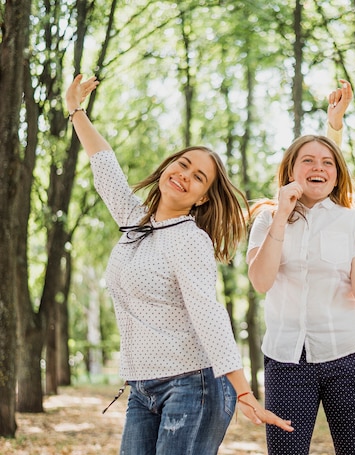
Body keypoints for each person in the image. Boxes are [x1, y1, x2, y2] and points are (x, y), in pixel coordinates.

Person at [65, 74, 293, 455]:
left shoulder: (190, 239)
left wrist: (243, 390)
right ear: (169, 164)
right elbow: (105, 166)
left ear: (203, 198)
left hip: (192, 385)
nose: (184, 176)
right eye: (183, 165)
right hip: (142, 387)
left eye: (198, 177)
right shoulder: (135, 222)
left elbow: (208, 313)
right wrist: (76, 111)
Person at [246, 80, 355, 455]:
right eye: (308, 160)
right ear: (291, 169)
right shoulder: (266, 220)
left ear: (337, 173)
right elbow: (261, 281)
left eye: (328, 162)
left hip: (348, 355)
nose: (319, 167)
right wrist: (282, 215)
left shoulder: (353, 222)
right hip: (285, 361)